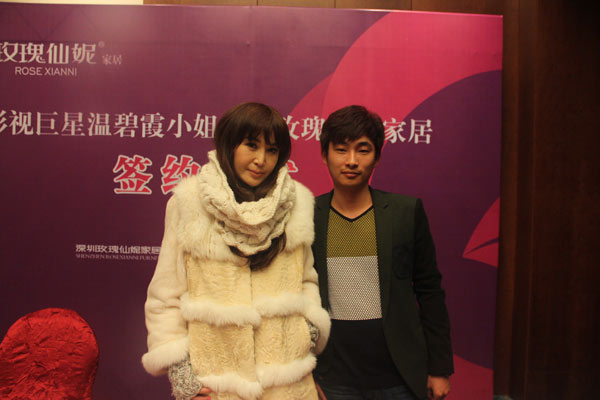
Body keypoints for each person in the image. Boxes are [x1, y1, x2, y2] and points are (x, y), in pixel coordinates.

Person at [142, 102, 331, 400]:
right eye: (251, 145)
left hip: (287, 383)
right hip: (216, 383)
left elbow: (306, 280)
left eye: (272, 150)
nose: (261, 160)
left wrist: (305, 333)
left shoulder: (297, 203)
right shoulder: (188, 203)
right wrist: (182, 374)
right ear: (229, 144)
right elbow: (165, 296)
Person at [312, 105, 453, 400]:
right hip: (333, 377)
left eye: (363, 150)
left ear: (377, 157)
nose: (352, 161)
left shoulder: (405, 212)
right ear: (324, 155)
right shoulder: (308, 216)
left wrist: (439, 369)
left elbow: (429, 291)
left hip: (399, 375)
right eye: (341, 150)